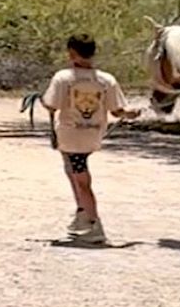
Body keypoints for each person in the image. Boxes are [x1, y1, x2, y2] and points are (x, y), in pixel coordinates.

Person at [40, 33, 139, 243]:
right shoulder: (106, 80)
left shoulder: (63, 78)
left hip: (70, 135)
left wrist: (42, 99)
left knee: (81, 178)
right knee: (72, 169)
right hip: (92, 134)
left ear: (72, 53)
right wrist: (129, 113)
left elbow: (52, 104)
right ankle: (82, 214)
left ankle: (94, 223)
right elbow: (117, 109)